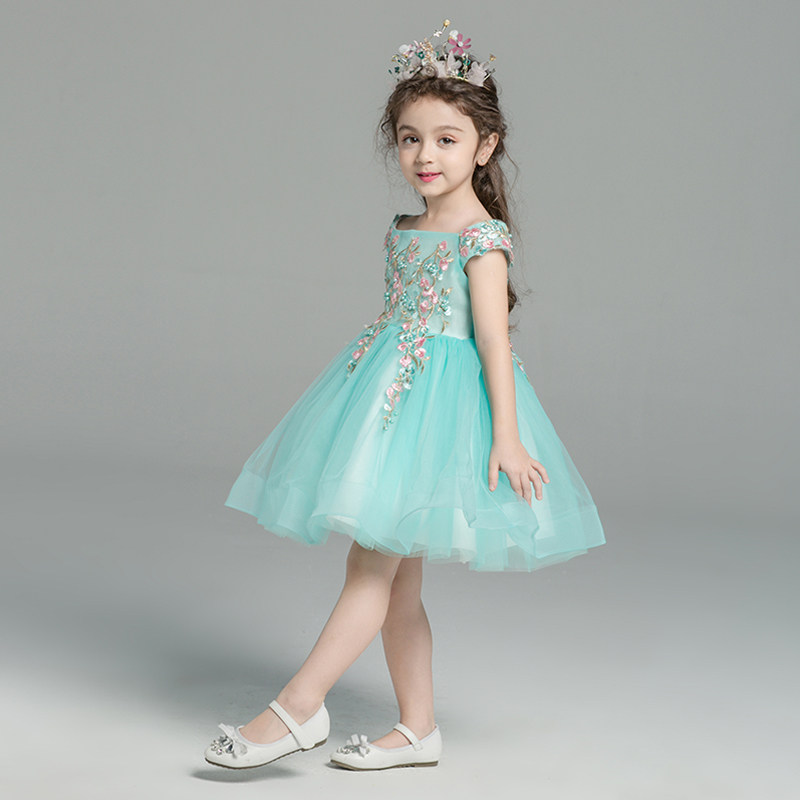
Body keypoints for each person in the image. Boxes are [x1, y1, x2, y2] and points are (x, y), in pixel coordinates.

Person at [204, 20, 605, 772]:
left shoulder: (482, 238)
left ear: (485, 146)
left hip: (437, 415)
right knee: (399, 584)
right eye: (410, 138)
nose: (425, 155)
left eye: (447, 140)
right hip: (385, 399)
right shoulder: (406, 227)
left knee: (371, 567)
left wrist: (507, 436)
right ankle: (419, 729)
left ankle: (297, 709)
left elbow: (492, 343)